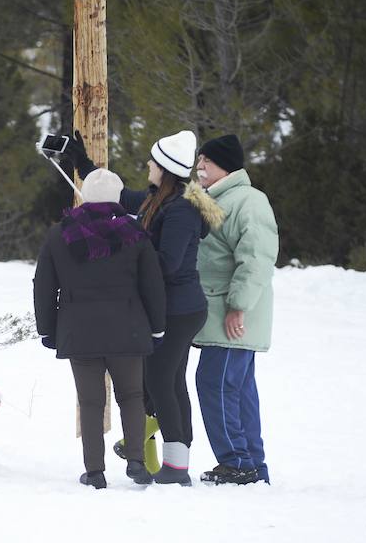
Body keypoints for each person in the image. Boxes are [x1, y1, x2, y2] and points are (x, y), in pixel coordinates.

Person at [65, 130, 224, 486]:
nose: (148, 165)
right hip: (171, 306)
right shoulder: (158, 199)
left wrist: (128, 238)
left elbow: (167, 263)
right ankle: (175, 465)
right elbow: (117, 196)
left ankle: (175, 467)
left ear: (165, 169)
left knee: (159, 381)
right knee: (168, 382)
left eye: (153, 162)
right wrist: (83, 164)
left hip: (179, 310)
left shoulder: (181, 209)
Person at [33, 168, 166, 489]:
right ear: (118, 197)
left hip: (79, 330)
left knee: (91, 400)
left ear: (84, 196)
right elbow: (152, 284)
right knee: (132, 395)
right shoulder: (134, 232)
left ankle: (94, 471)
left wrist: (47, 329)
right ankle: (136, 459)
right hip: (128, 328)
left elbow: (44, 286)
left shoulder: (59, 234)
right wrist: (157, 327)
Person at [192, 134, 279, 485]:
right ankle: (251, 463)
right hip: (219, 312)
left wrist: (238, 306)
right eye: (198, 160)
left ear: (224, 165)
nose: (199, 167)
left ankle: (237, 461)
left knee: (214, 383)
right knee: (237, 389)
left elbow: (256, 258)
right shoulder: (211, 199)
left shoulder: (248, 201)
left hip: (231, 314)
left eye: (206, 162)